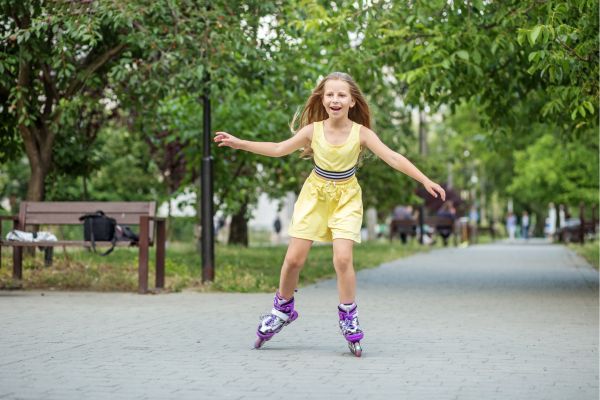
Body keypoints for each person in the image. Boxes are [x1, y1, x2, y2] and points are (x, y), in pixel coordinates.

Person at [214, 72, 445, 356]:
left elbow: (394, 157)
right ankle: (282, 309)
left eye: (341, 95)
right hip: (315, 196)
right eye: (330, 95)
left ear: (351, 101)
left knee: (343, 258)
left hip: (347, 197)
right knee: (294, 259)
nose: (335, 99)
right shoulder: (313, 130)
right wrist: (241, 143)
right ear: (322, 100)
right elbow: (277, 148)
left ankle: (348, 315)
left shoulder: (362, 134)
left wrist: (424, 179)